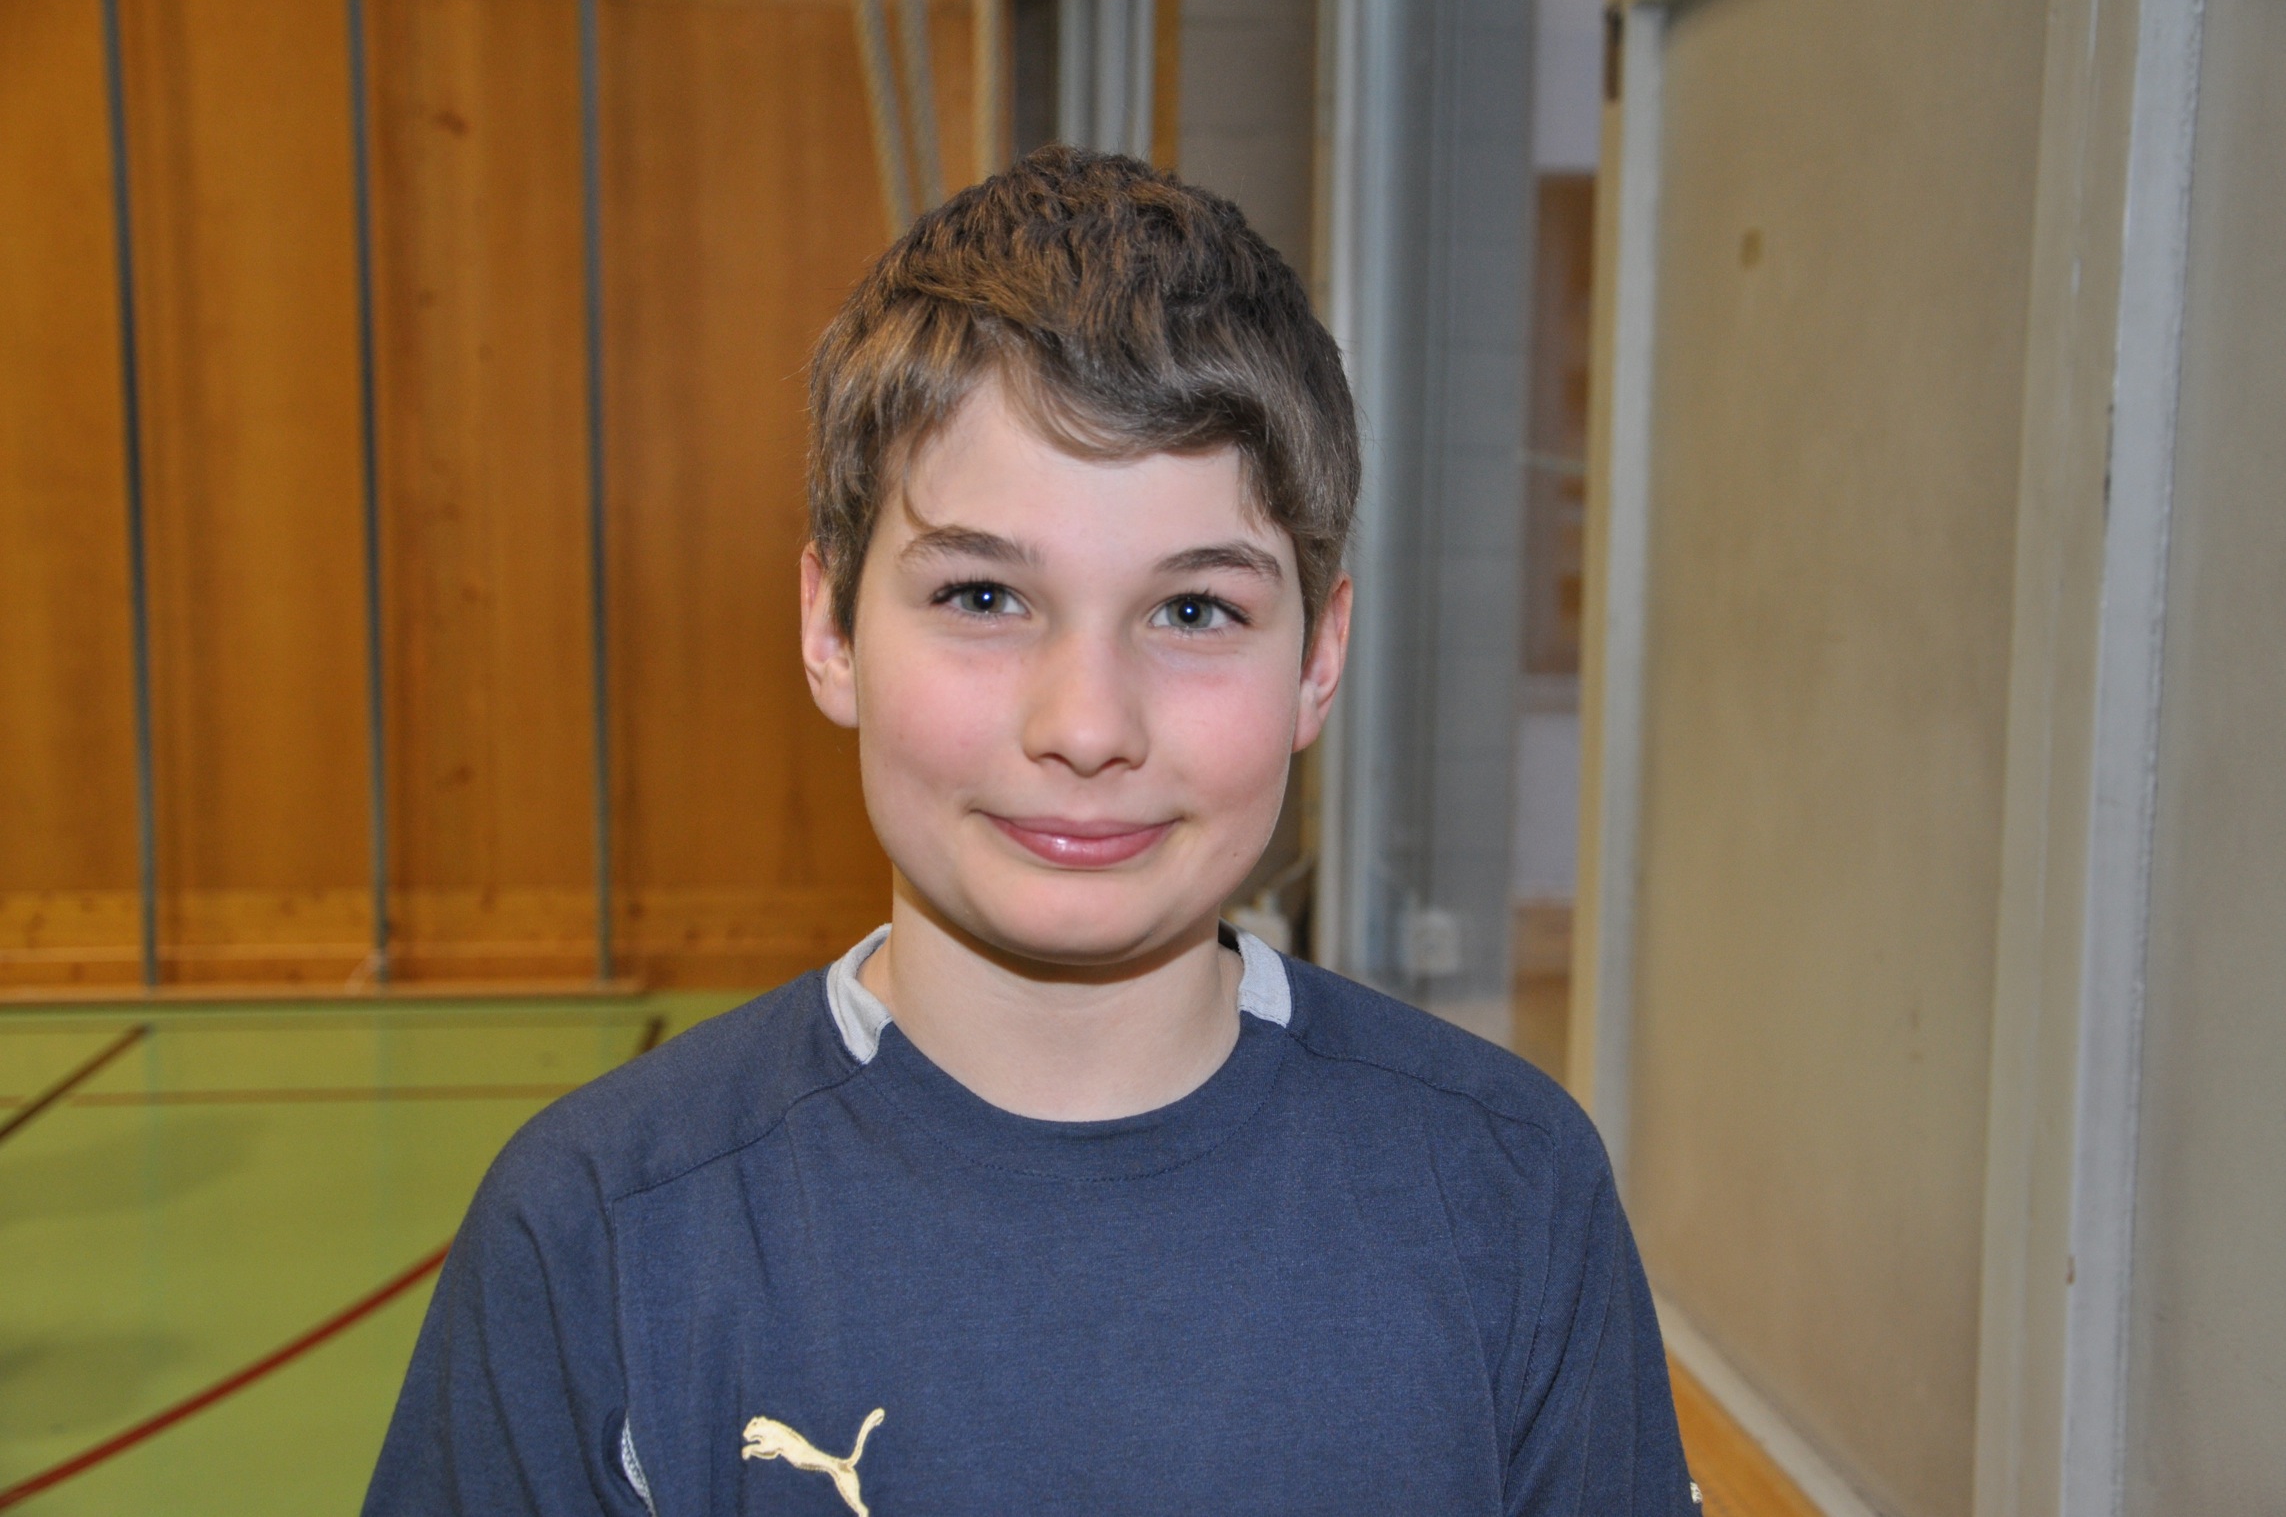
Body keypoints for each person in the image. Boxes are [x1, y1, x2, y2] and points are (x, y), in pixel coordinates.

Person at [364, 146, 1697, 1517]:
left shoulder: (1508, 1192)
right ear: (830, 628)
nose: (1086, 724)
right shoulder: (598, 1235)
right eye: (984, 598)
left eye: (1194, 611)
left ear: (1317, 659)